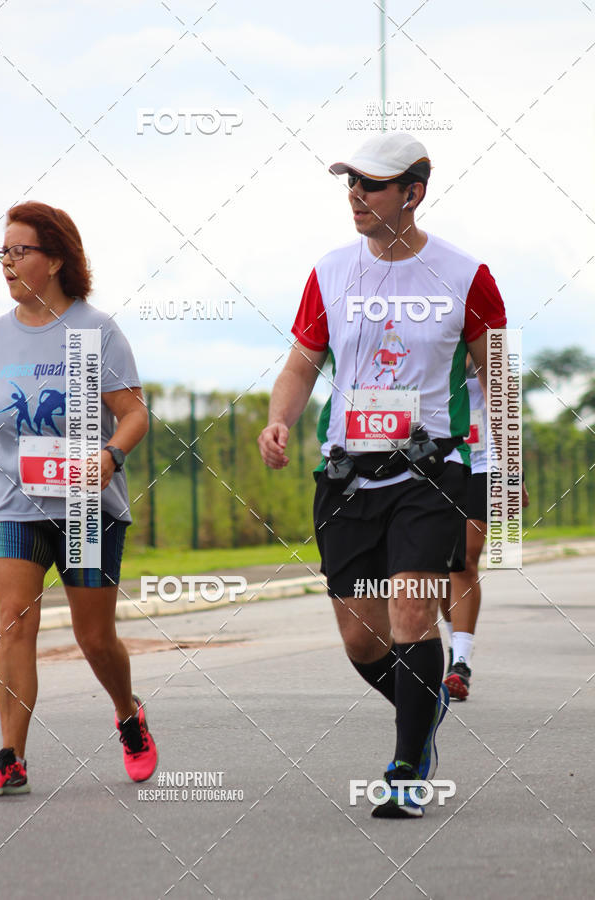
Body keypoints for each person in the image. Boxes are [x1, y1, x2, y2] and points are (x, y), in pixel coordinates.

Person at [258, 133, 507, 818]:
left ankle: (406, 769)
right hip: (347, 478)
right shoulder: (331, 272)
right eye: (350, 184)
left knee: (409, 610)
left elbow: (498, 379)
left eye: (371, 185)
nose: (356, 196)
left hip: (432, 472)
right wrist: (280, 419)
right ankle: (421, 714)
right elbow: (303, 363)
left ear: (413, 193)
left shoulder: (466, 276)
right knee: (362, 639)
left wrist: (499, 470)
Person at [0, 202, 157, 795]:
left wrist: (109, 455)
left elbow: (135, 414)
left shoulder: (95, 330)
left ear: (55, 258)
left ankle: (126, 712)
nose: (6, 263)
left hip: (88, 507)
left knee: (94, 638)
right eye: (2, 252)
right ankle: (9, 755)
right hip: (15, 502)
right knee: (12, 622)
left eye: (19, 251)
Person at [441, 358, 529, 700]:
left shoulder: (487, 346)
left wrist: (514, 473)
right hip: (442, 460)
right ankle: (454, 647)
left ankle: (461, 663)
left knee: (464, 557)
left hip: (484, 463)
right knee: (439, 564)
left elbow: (506, 413)